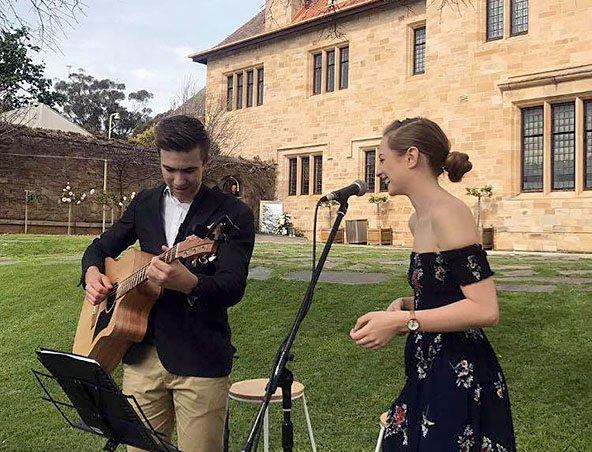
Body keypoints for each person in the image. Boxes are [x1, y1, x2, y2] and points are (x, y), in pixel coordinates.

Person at [81, 115, 255, 452]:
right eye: (169, 169)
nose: (178, 180)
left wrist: (190, 283)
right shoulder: (145, 202)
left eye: (188, 170)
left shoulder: (232, 213)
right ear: (159, 159)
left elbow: (233, 287)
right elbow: (100, 248)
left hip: (199, 360)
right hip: (140, 355)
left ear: (206, 160)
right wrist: (91, 273)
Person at [350, 118, 515, 451]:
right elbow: (446, 290)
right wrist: (408, 304)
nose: (378, 171)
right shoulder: (417, 219)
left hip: (458, 372)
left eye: (382, 159)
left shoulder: (449, 213)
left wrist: (402, 321)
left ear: (411, 157)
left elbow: (485, 308)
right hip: (426, 366)